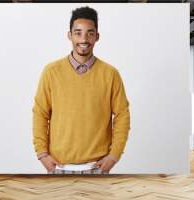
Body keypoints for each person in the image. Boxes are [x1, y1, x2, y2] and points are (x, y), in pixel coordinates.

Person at [32, 6, 130, 174]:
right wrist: (42, 154)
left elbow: (122, 115)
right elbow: (40, 113)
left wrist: (114, 156)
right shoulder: (51, 72)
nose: (83, 39)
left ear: (97, 36)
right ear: (69, 35)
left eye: (89, 33)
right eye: (78, 33)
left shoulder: (111, 74)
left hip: (97, 167)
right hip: (58, 166)